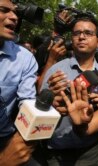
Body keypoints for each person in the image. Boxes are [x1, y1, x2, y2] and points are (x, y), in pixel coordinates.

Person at [36, 12, 98, 166]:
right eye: (77, 33)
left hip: (92, 152)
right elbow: (39, 106)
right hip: (57, 151)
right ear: (72, 38)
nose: (82, 37)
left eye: (88, 33)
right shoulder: (56, 71)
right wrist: (52, 102)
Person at [0, 0, 38, 165]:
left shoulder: (25, 58)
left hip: (6, 137)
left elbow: (27, 103)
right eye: (4, 10)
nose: (14, 17)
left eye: (15, 12)